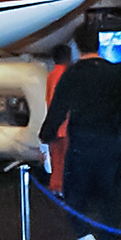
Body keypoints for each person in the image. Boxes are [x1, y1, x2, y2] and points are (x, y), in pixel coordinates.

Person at [39, 25, 121, 240]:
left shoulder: (73, 74)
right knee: (110, 193)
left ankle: (84, 234)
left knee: (74, 190)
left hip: (82, 139)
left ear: (77, 46)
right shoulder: (117, 73)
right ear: (99, 45)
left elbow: (58, 108)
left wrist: (46, 136)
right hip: (111, 138)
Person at [43, 43, 72, 193]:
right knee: (64, 161)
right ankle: (61, 188)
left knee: (56, 161)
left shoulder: (51, 75)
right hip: (64, 126)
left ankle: (56, 187)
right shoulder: (64, 76)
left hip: (54, 125)